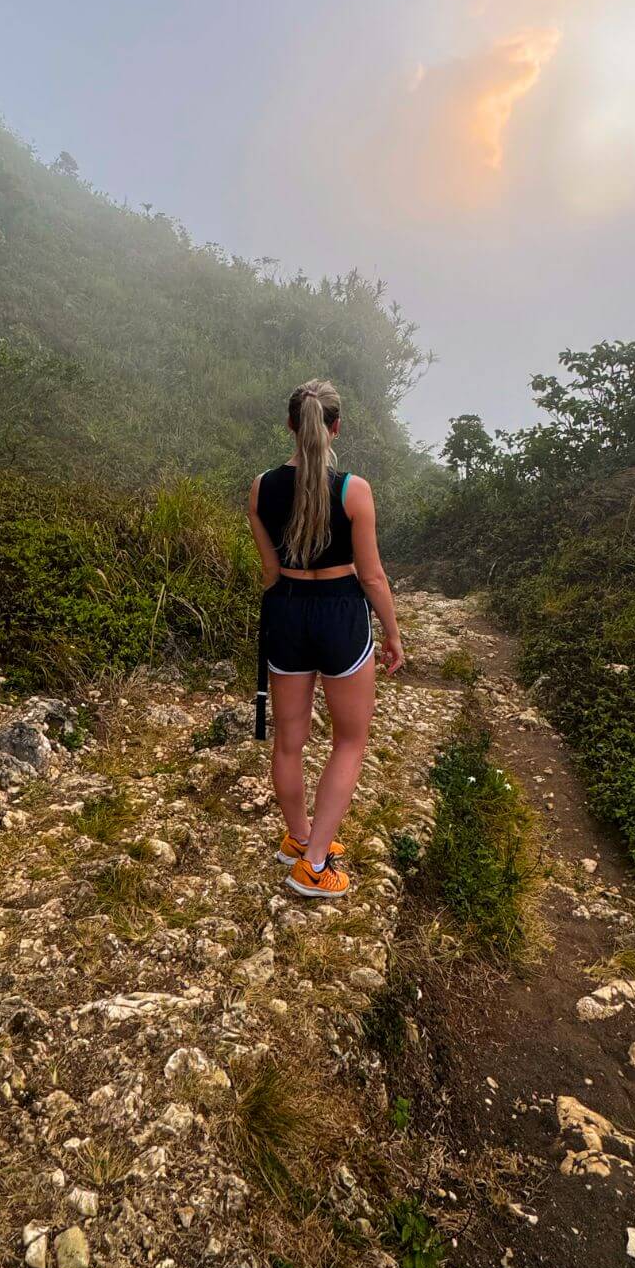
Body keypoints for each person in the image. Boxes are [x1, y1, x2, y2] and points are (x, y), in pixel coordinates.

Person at [248, 379, 405, 899]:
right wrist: (392, 632)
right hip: (340, 615)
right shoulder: (353, 490)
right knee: (350, 740)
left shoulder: (261, 488)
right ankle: (316, 864)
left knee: (290, 741)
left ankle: (298, 840)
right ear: (334, 427)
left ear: (291, 425)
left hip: (286, 612)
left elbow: (270, 572)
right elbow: (372, 575)